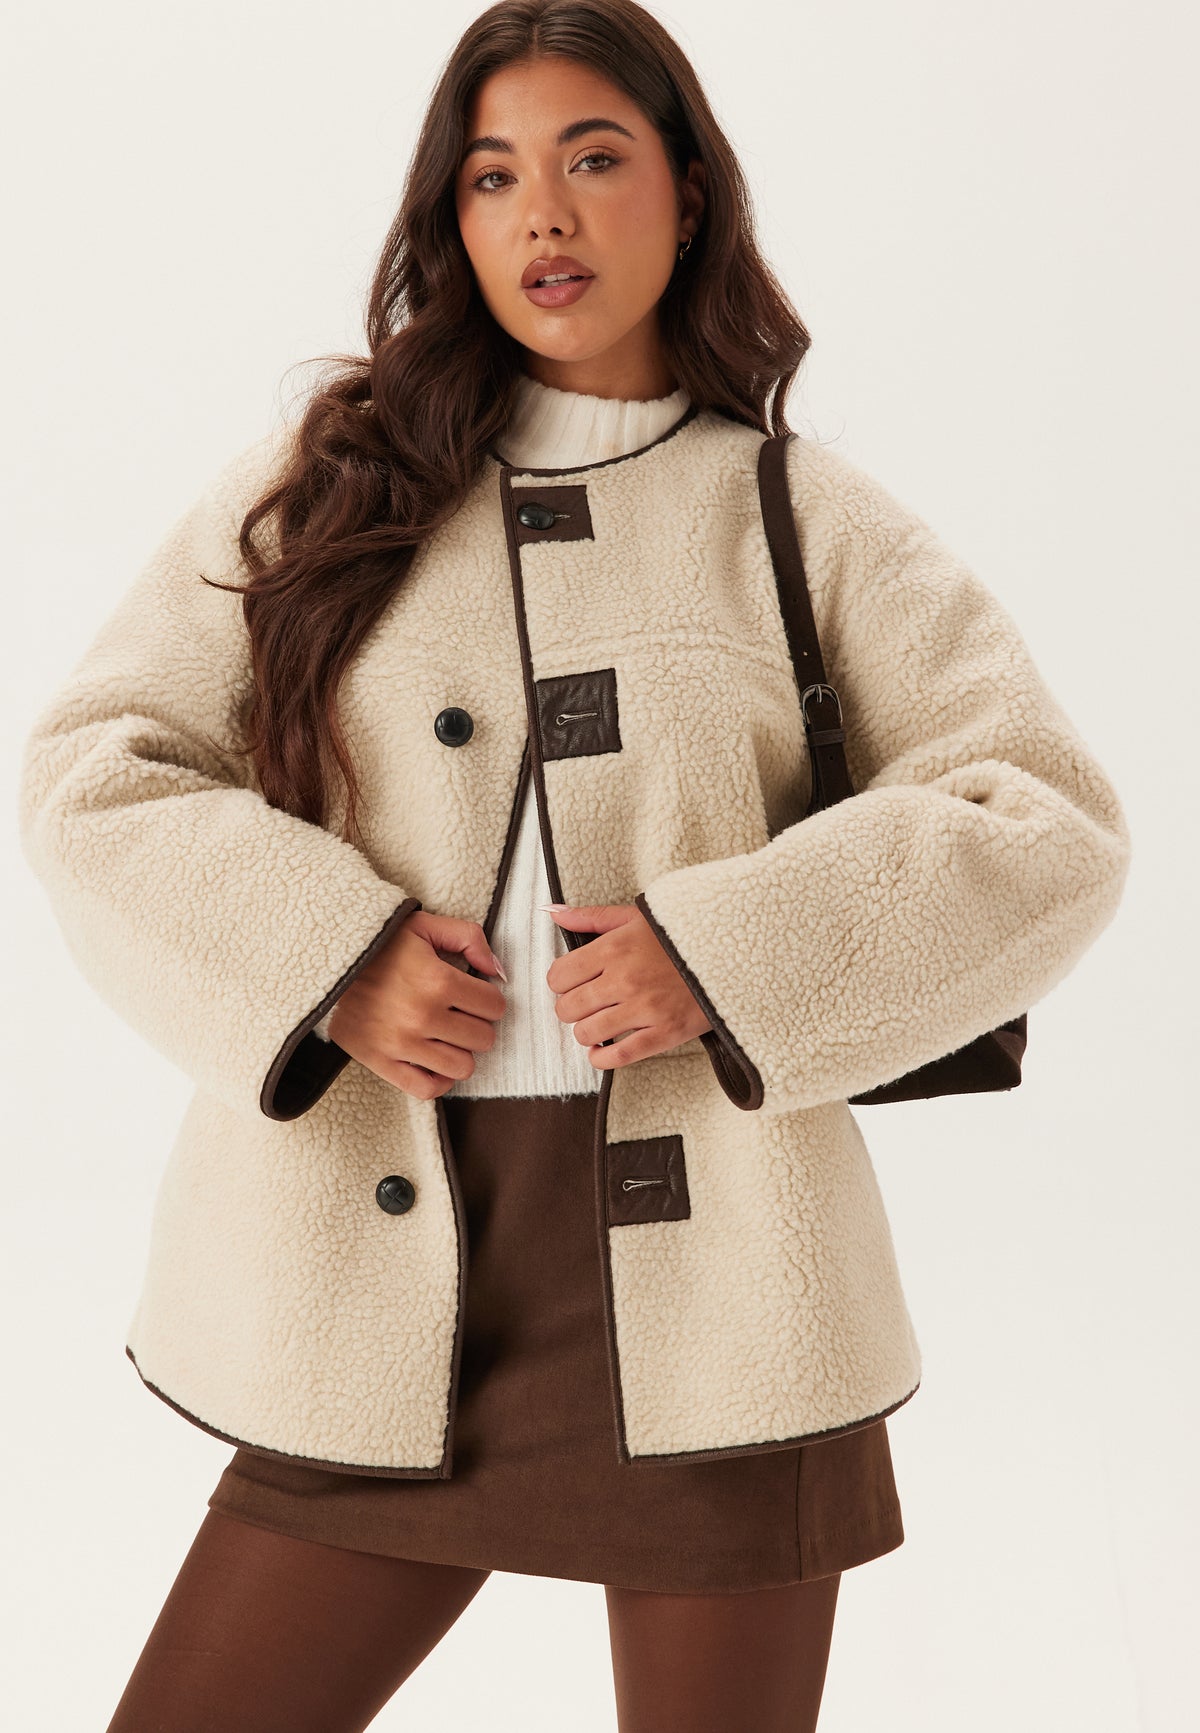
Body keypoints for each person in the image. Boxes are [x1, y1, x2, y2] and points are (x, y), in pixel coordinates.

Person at [18, 3, 1131, 1730]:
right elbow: (97, 770)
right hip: (372, 1278)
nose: (543, 212)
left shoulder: (798, 513)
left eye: (593, 159)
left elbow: (1046, 816)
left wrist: (727, 952)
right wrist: (333, 958)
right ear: (451, 223)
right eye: (492, 176)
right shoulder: (332, 486)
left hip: (728, 1298)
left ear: (686, 191)